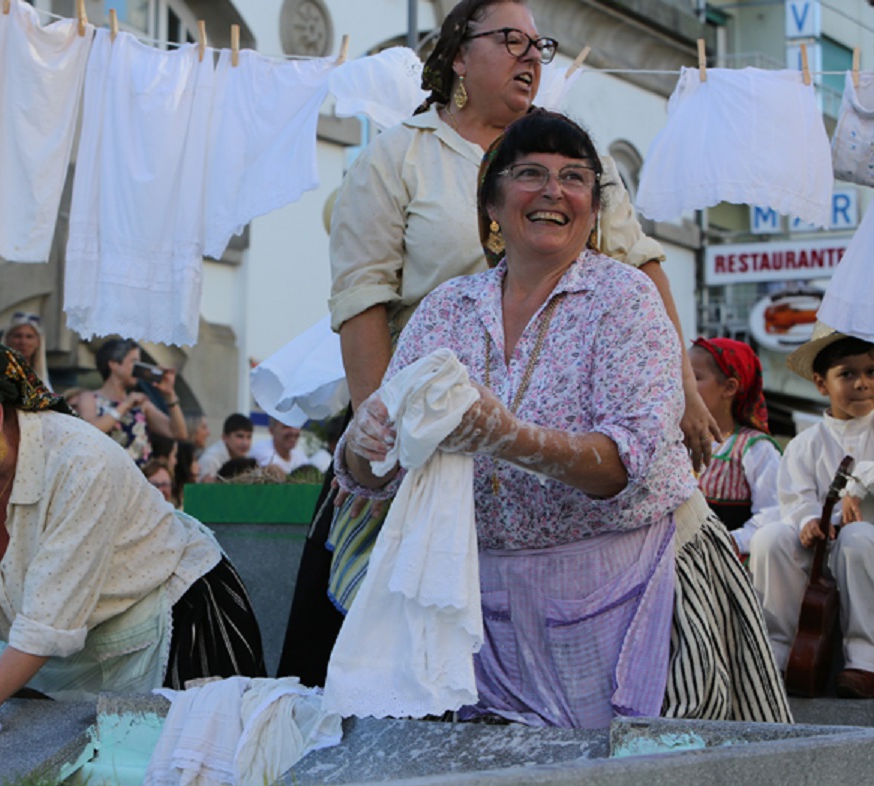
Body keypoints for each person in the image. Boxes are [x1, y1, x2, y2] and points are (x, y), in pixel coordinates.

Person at [280, 0, 719, 687]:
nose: (531, 56)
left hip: (591, 437)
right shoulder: (400, 156)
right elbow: (361, 303)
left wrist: (686, 395)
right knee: (379, 664)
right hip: (438, 422)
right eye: (510, 40)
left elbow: (643, 264)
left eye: (538, 44)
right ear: (457, 53)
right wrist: (382, 438)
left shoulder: (576, 156)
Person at [337, 110, 787, 726]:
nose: (553, 191)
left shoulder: (627, 300)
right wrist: (365, 442)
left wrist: (510, 437)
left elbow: (623, 464)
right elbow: (370, 473)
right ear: (491, 204)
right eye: (530, 174)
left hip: (641, 589)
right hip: (487, 611)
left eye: (574, 177)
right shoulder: (447, 309)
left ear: (593, 210)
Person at [0, 337, 264, 771]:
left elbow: (49, 621)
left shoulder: (80, 461)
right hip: (58, 645)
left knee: (174, 775)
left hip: (174, 617)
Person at [749, 324, 874, 698]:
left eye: (871, 372)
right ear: (821, 384)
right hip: (823, 548)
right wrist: (806, 521)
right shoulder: (805, 443)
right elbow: (794, 496)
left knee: (856, 536)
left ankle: (865, 659)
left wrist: (857, 486)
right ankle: (779, 654)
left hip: (865, 547)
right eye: (847, 374)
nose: (862, 384)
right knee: (771, 538)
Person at [690, 338, 782, 557]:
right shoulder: (675, 442)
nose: (684, 385)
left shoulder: (754, 449)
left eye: (695, 377)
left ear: (730, 387)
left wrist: (733, 541)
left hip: (732, 566)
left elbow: (773, 512)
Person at [76, 338, 187, 466]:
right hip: (106, 474)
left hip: (139, 477)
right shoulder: (89, 398)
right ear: (114, 364)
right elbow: (89, 431)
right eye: (134, 362)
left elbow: (178, 432)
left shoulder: (141, 404)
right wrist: (125, 405)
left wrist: (170, 394)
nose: (138, 369)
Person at [198, 413, 254, 482]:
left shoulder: (245, 457)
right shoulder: (210, 461)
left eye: (249, 437)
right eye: (240, 436)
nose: (245, 443)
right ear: (225, 437)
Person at [3, 311, 50, 388]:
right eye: (18, 336)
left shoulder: (43, 382)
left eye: (29, 337)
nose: (23, 342)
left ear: (38, 342)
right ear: (8, 340)